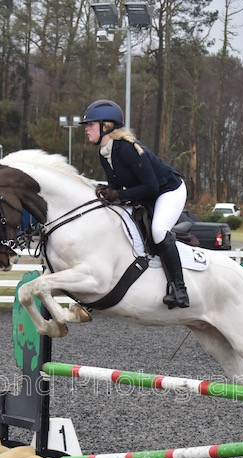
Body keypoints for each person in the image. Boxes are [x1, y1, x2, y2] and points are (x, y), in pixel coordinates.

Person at [80, 99, 189, 309]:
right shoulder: (105, 153)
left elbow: (152, 187)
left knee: (158, 230)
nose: (87, 129)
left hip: (169, 190)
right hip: (146, 194)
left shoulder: (128, 149)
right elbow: (117, 186)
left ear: (107, 126)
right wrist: (109, 192)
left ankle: (181, 290)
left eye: (91, 125)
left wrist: (118, 194)